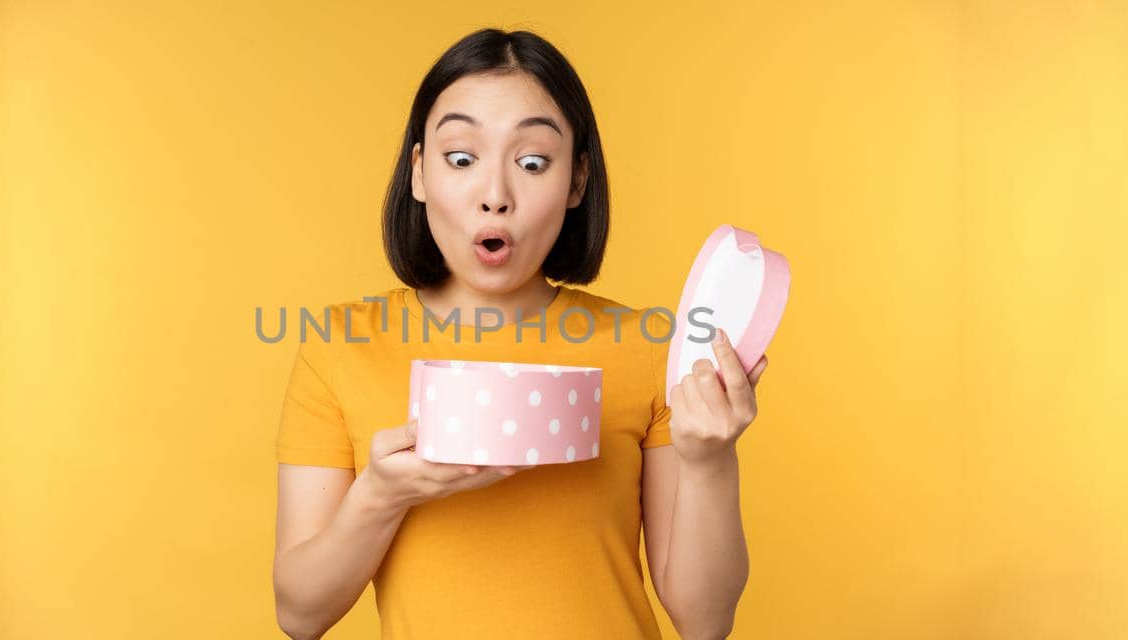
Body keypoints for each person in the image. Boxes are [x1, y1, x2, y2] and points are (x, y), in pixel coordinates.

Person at [271, 27, 769, 640]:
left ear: (577, 182)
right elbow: (298, 615)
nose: (495, 196)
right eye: (461, 158)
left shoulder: (647, 347)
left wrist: (710, 458)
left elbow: (705, 622)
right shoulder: (339, 346)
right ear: (420, 174)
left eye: (532, 162)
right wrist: (381, 495)